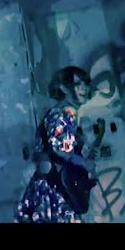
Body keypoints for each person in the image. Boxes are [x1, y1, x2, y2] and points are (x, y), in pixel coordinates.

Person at [15, 65, 97, 223]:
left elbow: (66, 149)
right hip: (52, 191)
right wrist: (83, 162)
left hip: (58, 190)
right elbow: (58, 149)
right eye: (78, 84)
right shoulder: (60, 114)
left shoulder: (69, 115)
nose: (84, 88)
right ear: (64, 89)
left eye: (86, 83)